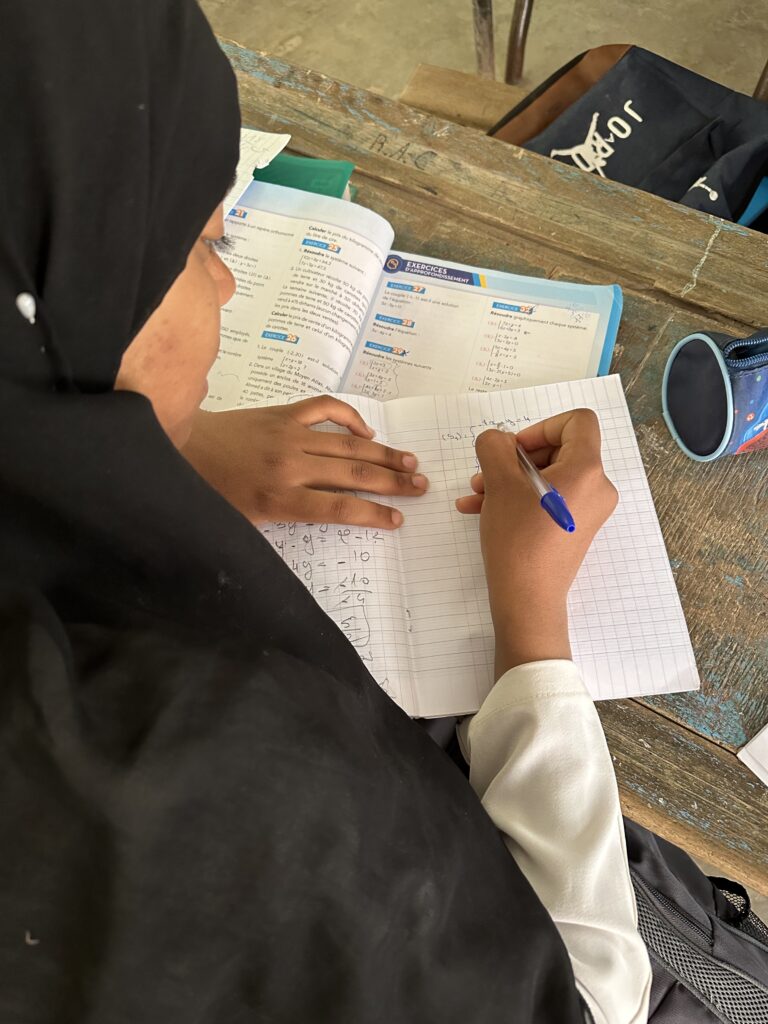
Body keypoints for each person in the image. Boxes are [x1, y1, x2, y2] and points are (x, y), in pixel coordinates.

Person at [0, 1, 650, 1021]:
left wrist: (146, 430)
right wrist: (535, 636)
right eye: (202, 246)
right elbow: (581, 998)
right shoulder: (209, 784)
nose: (224, 292)